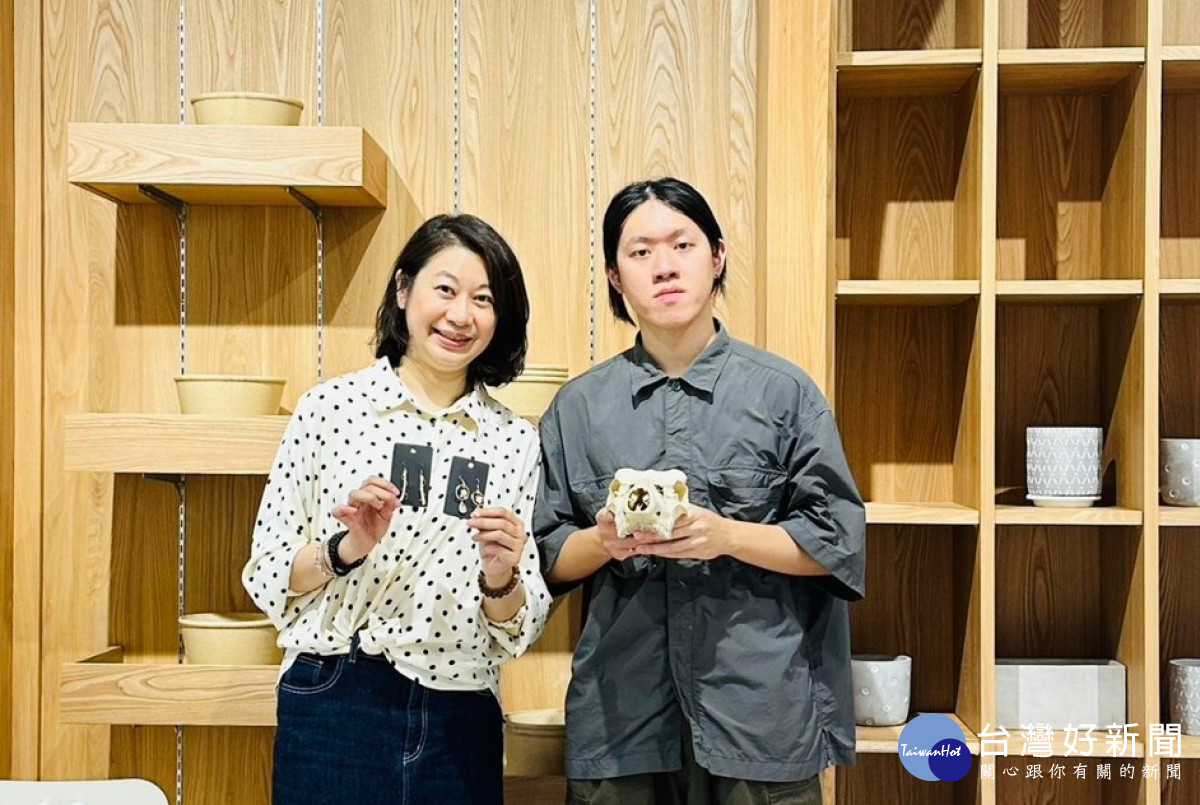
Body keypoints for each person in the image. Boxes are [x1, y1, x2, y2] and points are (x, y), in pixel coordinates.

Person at [534, 177, 865, 804]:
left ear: (716, 257)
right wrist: (604, 543)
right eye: (640, 252)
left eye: (682, 245)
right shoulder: (578, 408)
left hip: (759, 711)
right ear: (615, 277)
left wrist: (727, 536)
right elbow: (547, 555)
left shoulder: (783, 393)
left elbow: (836, 542)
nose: (664, 266)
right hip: (622, 715)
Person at [243, 213, 551, 805]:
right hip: (336, 694)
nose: (461, 315)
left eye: (484, 299)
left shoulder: (514, 440)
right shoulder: (330, 409)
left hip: (462, 710)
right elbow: (267, 574)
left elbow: (519, 625)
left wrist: (502, 576)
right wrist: (346, 549)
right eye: (446, 289)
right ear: (404, 290)